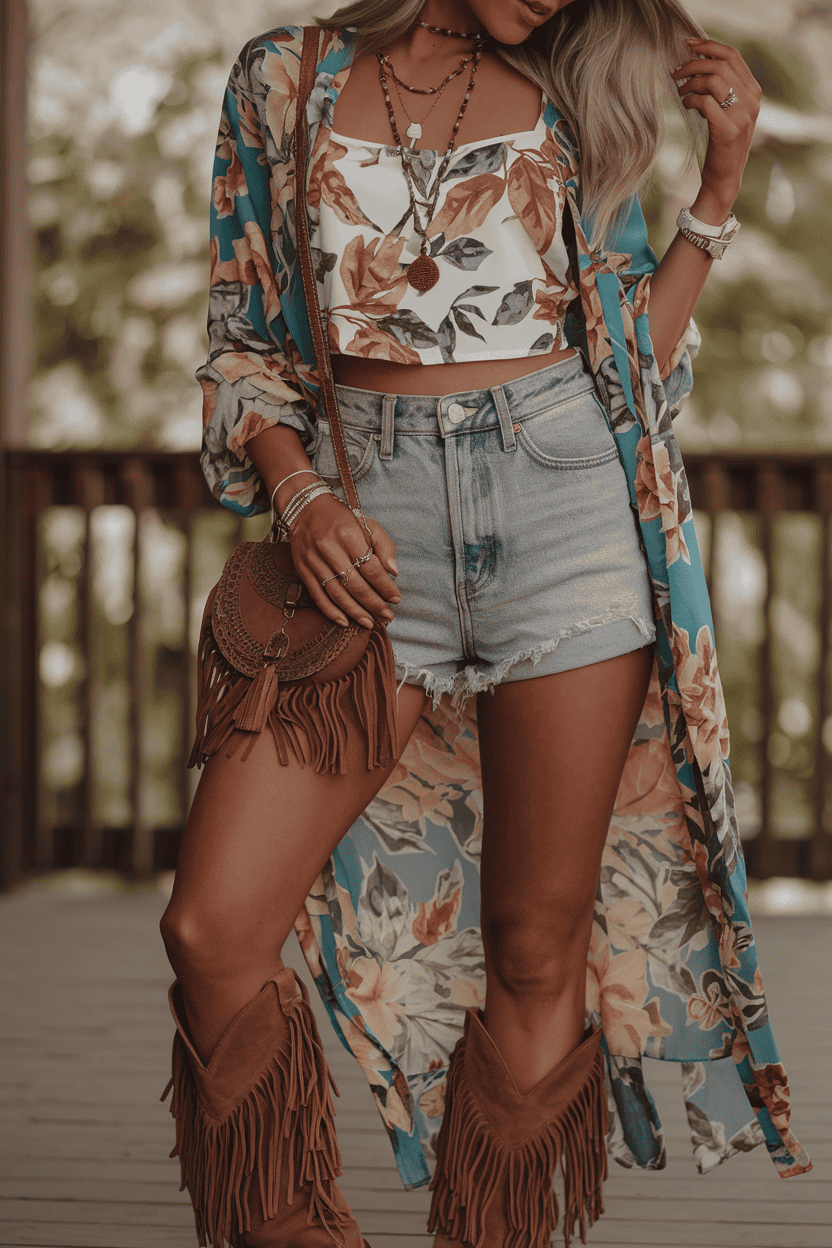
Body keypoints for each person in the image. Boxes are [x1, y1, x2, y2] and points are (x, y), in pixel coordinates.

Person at [159, 3, 811, 1246]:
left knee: (530, 947)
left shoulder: (569, 88)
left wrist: (715, 192)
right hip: (367, 532)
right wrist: (299, 498)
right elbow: (242, 341)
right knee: (212, 923)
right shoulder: (283, 79)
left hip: (566, 514)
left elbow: (632, 373)